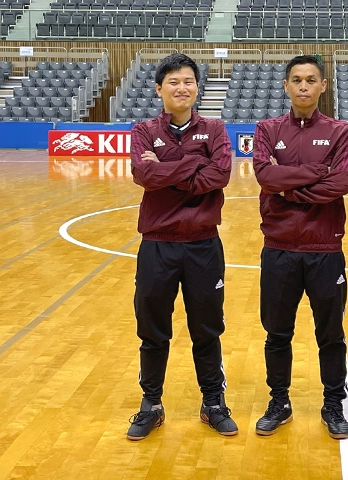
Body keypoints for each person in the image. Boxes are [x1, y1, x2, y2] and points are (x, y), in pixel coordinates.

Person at [127, 53, 237, 440]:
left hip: (203, 244)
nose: (181, 87)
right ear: (159, 89)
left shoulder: (216, 129)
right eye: (173, 82)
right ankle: (151, 404)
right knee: (153, 328)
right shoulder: (142, 129)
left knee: (207, 328)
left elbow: (220, 173)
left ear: (197, 88)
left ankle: (213, 403)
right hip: (157, 244)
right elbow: (144, 173)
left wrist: (167, 165)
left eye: (188, 81)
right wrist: (193, 163)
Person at [252, 55, 348, 439]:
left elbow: (341, 183)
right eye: (296, 80)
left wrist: (286, 185)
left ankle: (333, 403)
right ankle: (279, 401)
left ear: (322, 86)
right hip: (278, 246)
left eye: (311, 80)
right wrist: (316, 174)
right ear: (285, 86)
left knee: (330, 334)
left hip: (325, 248)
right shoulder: (266, 128)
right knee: (277, 332)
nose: (303, 86)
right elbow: (264, 175)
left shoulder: (340, 131)